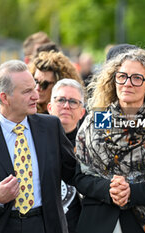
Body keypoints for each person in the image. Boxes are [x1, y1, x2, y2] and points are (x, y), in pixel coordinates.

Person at [0, 60, 76, 233]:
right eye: (27, 91)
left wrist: (109, 187)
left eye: (34, 87)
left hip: (45, 225)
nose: (36, 95)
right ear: (5, 97)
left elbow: (74, 173)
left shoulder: (51, 127)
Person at [74, 48, 145, 233]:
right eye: (122, 76)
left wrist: (131, 191)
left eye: (137, 78)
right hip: (97, 221)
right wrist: (109, 189)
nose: (127, 83)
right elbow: (80, 176)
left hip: (141, 224)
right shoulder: (96, 120)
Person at [47, 79, 85, 233]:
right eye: (61, 100)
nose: (66, 106)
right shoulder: (32, 139)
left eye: (73, 102)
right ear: (50, 107)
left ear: (82, 112)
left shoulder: (91, 144)